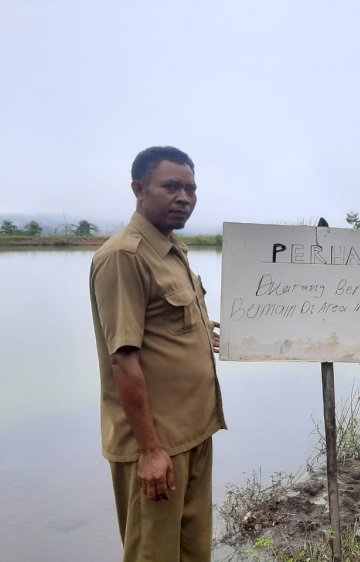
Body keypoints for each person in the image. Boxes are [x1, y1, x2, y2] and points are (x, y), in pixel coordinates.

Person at [90, 146, 227, 562]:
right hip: (157, 443)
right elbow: (123, 359)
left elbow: (166, 326)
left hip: (194, 431)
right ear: (139, 188)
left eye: (190, 188)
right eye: (171, 186)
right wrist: (150, 450)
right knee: (154, 553)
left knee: (192, 549)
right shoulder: (124, 256)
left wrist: (204, 333)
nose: (184, 197)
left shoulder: (172, 250)